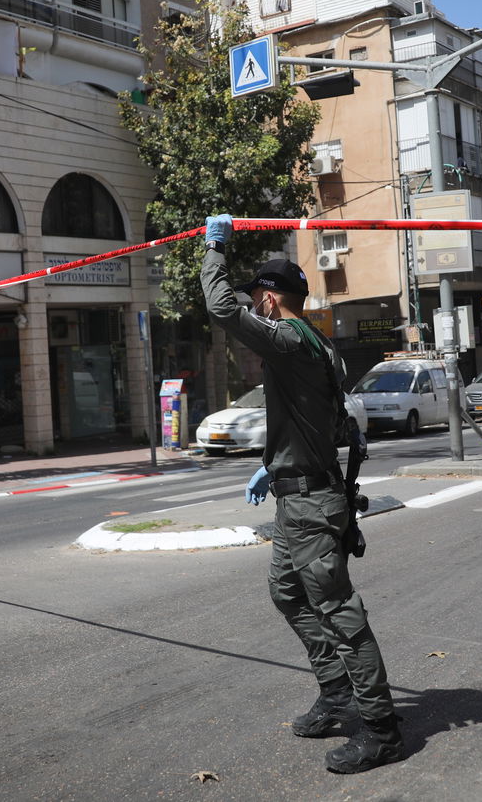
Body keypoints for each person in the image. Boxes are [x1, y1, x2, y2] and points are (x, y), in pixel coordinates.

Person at [200, 214, 404, 774]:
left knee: (340, 612)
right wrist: (278, 465)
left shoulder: (289, 338)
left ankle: (382, 728)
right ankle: (338, 696)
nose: (254, 307)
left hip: (311, 505)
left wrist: (214, 249)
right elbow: (325, 423)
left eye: (257, 298)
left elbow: (221, 309)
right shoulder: (316, 343)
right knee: (287, 592)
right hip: (302, 495)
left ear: (269, 299)